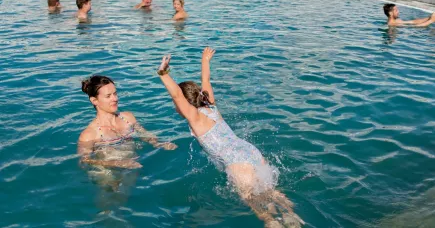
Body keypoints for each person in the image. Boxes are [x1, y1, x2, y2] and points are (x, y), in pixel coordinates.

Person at [157, 49, 303, 227]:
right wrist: (205, 59)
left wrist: (163, 74)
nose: (175, 107)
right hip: (250, 151)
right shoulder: (210, 105)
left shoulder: (195, 117)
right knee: (270, 192)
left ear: (186, 105)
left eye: (176, 105)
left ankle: (272, 222)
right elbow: (206, 81)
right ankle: (291, 216)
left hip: (236, 161)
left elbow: (177, 95)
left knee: (251, 199)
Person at [78, 75, 177, 170]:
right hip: (107, 172)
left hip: (133, 164)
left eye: (115, 93)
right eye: (108, 96)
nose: (115, 99)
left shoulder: (128, 118)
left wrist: (158, 143)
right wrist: (117, 163)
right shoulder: (89, 134)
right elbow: (84, 160)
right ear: (94, 100)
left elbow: (144, 134)